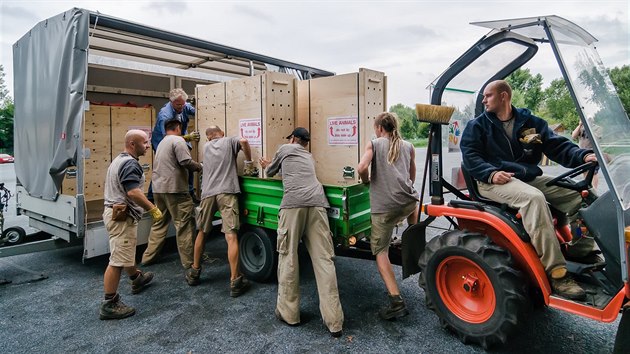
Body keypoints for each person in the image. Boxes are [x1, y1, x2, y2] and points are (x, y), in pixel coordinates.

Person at [460, 80, 598, 301]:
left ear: (504, 96)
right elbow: (471, 156)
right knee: (534, 199)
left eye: (488, 95)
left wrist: (583, 156)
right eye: (484, 96)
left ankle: (580, 251)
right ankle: (558, 273)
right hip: (491, 180)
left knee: (581, 196)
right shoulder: (477, 126)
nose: (484, 100)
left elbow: (557, 146)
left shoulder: (529, 124)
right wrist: (491, 173)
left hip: (525, 177)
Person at [259, 127, 344, 338]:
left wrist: (266, 164)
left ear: (294, 138)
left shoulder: (285, 148)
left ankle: (289, 314)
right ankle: (334, 321)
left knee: (288, 256)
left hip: (293, 204)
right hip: (317, 203)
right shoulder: (308, 155)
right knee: (324, 260)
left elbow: (269, 173)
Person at [357, 112, 419, 320]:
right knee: (411, 208)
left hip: (385, 207)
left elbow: (362, 167)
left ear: (379, 128)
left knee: (380, 252)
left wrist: (366, 181)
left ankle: (396, 302)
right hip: (409, 202)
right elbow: (412, 174)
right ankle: (409, 237)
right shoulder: (408, 145)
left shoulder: (374, 144)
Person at [100, 130, 163, 320]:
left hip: (115, 213)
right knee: (117, 260)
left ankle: (137, 278)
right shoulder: (130, 164)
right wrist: (153, 209)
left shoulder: (119, 159)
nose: (147, 146)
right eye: (144, 143)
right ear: (132, 144)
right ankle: (109, 303)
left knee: (125, 252)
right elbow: (133, 193)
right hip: (121, 217)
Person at [187, 126, 255, 297]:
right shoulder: (229, 140)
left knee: (202, 231)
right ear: (222, 133)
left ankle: (194, 272)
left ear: (208, 138)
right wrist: (248, 161)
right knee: (231, 235)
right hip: (227, 192)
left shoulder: (206, 147)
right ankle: (235, 280)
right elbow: (244, 141)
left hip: (208, 193)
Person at [141, 119, 202, 275]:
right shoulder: (178, 140)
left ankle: (148, 258)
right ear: (178, 128)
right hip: (175, 190)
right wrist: (200, 167)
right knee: (184, 225)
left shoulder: (162, 142)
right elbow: (185, 161)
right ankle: (189, 263)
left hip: (158, 189)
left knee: (159, 224)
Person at [150, 88, 200, 202]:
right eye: (178, 105)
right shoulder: (165, 115)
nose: (182, 107)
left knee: (187, 165)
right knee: (163, 168)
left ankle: (190, 192)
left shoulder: (183, 105)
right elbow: (168, 138)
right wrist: (188, 137)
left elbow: (197, 112)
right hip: (162, 142)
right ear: (171, 102)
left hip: (181, 139)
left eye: (183, 104)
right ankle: (152, 197)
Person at [572, 120, 600, 189]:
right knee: (584, 171)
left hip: (592, 153)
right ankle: (587, 187)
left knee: (594, 172)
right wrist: (579, 125)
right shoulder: (581, 127)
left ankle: (594, 189)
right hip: (582, 153)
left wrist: (589, 127)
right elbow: (573, 136)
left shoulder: (597, 128)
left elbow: (596, 138)